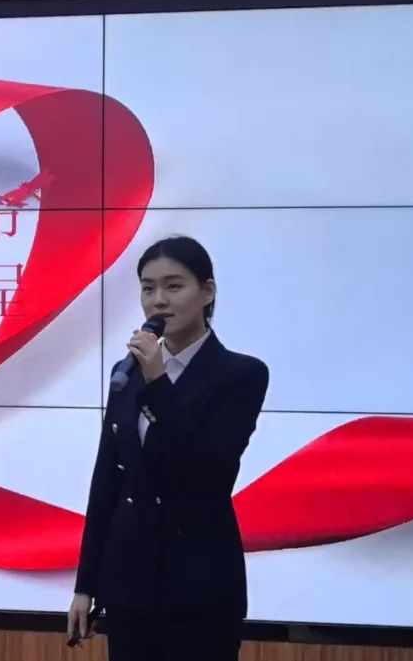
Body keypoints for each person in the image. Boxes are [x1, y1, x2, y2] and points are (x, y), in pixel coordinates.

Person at [66, 235, 268, 660]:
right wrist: (86, 585)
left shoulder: (241, 375)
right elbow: (107, 481)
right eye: (148, 287)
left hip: (199, 588)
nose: (158, 300)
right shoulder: (127, 373)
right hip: (130, 588)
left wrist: (159, 383)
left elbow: (209, 472)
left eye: (174, 286)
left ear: (207, 292)